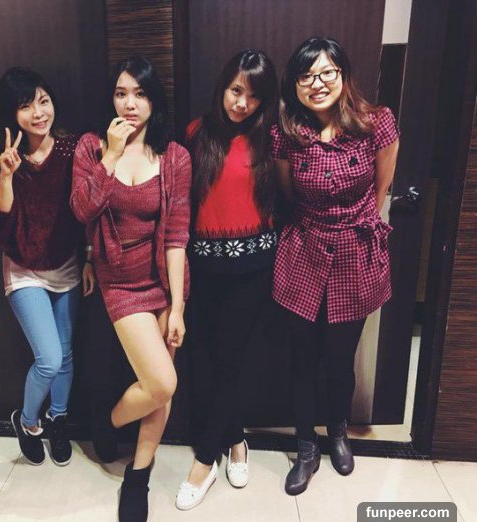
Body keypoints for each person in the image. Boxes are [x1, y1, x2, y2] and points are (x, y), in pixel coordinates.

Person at [270, 37, 400, 495]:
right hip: (302, 253)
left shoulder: (375, 123)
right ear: (294, 85)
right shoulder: (286, 133)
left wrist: (354, 224)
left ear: (343, 75)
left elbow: (382, 186)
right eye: (306, 76)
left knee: (341, 359)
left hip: (355, 255)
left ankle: (338, 433)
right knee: (302, 358)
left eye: (327, 72)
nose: (318, 83)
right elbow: (287, 193)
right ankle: (306, 447)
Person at [70, 55, 191, 522]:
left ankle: (137, 477)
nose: (130, 103)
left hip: (164, 280)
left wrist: (177, 306)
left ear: (153, 100)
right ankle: (107, 420)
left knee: (162, 389)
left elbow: (177, 234)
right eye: (121, 93)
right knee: (162, 382)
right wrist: (111, 156)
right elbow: (82, 210)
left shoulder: (174, 156)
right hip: (120, 283)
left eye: (140, 94)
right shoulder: (92, 147)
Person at [175, 50, 279, 510]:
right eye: (236, 91)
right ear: (223, 86)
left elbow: (285, 198)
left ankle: (204, 461)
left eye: (253, 97)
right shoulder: (196, 133)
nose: (242, 103)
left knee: (231, 362)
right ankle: (236, 439)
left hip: (252, 270)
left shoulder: (271, 139)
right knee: (206, 362)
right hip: (203, 269)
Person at [0, 67, 94, 467]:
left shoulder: (73, 148)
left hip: (66, 264)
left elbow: (89, 207)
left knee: (65, 354)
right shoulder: (5, 161)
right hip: (23, 267)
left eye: (43, 101)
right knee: (48, 358)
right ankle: (28, 422)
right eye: (26, 106)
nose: (38, 113)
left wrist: (90, 257)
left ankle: (57, 419)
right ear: (13, 114)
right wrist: (7, 176)